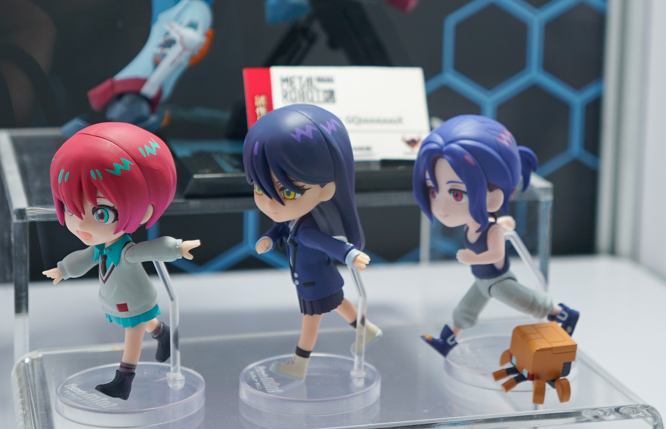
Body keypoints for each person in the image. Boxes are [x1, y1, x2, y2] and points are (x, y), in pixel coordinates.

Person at [42, 122, 200, 399]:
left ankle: (124, 380)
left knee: (132, 334)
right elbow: (84, 259)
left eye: (101, 213)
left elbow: (151, 249)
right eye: (71, 208)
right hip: (117, 298)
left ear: (145, 210)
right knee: (144, 324)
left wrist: (177, 247)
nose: (82, 225)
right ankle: (162, 333)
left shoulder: (126, 251)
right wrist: (63, 270)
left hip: (134, 299)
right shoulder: (100, 248)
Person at [413, 115, 579, 356]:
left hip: (499, 282)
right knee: (464, 310)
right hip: (482, 281)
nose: (441, 208)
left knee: (528, 303)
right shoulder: (473, 224)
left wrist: (474, 257)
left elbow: (496, 254)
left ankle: (563, 313)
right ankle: (447, 341)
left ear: (497, 194)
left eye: (457, 194)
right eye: (433, 191)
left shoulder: (493, 230)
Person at [244, 104, 379, 379]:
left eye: (288, 192)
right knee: (338, 303)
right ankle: (367, 329)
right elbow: (282, 228)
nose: (270, 203)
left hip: (314, 283)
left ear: (327, 188)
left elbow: (327, 244)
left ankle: (300, 362)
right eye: (260, 187)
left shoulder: (307, 230)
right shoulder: (297, 221)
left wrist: (350, 254)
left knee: (311, 320)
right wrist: (269, 238)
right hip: (317, 280)